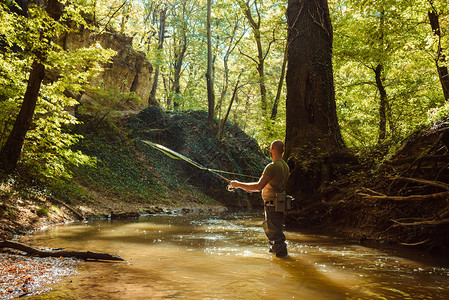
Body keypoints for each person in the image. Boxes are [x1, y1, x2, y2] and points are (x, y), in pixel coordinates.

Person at [229, 140, 290, 257]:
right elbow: (272, 185)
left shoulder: (272, 166)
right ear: (283, 151)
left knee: (275, 234)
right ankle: (275, 258)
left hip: (272, 204)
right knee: (272, 230)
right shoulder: (285, 166)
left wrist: (238, 184)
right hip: (279, 203)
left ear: (271, 149)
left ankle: (283, 259)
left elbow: (258, 186)